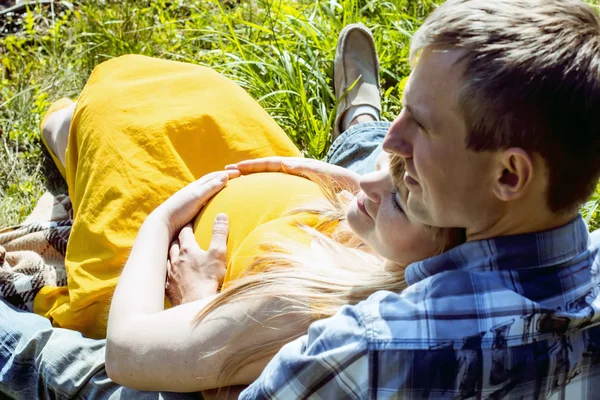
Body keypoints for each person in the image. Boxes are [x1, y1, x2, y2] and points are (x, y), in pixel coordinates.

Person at [0, 24, 460, 399]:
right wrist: (352, 181)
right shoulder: (428, 226)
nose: (373, 184)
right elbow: (393, 186)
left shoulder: (300, 311)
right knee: (168, 108)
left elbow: (129, 351)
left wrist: (165, 235)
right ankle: (362, 125)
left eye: (403, 193)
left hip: (169, 275)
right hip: (277, 205)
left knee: (77, 366)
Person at [237, 0, 600, 398]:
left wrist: (192, 292)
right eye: (403, 109)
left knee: (380, 159)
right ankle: (361, 120)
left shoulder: (368, 347)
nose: (398, 137)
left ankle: (360, 119)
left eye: (420, 123)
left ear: (509, 174)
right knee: (382, 165)